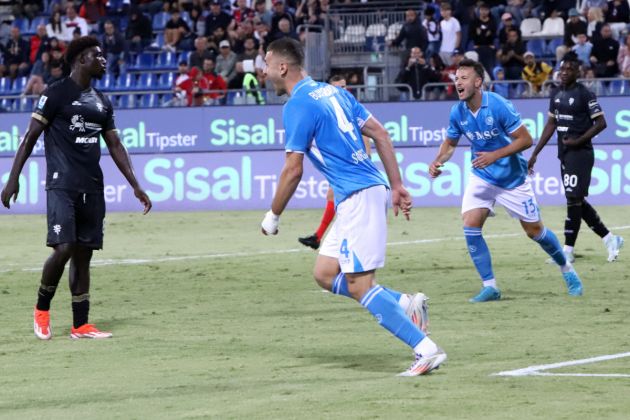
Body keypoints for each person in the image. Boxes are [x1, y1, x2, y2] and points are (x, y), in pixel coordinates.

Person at [260, 37, 446, 376]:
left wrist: (273, 215)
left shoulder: (298, 104)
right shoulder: (336, 92)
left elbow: (293, 169)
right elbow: (381, 134)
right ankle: (406, 304)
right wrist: (397, 184)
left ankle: (425, 348)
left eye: (267, 65)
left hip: (358, 196)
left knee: (361, 284)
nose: (264, 71)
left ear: (282, 67)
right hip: (359, 194)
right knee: (325, 273)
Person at [0, 36, 152, 340]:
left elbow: (115, 145)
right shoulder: (55, 94)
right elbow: (29, 137)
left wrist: (136, 185)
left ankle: (80, 324)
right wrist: (12, 178)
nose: (103, 60)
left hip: (93, 187)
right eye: (97, 56)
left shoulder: (102, 101)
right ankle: (42, 309)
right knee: (65, 247)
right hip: (62, 185)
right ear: (81, 59)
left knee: (84, 254)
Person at [429, 59, 584, 302]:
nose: (458, 82)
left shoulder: (498, 105)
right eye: (456, 78)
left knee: (535, 231)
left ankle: (567, 269)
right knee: (470, 225)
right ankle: (490, 286)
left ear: (478, 82)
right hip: (481, 177)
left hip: (512, 179)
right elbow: (450, 143)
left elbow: (525, 139)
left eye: (464, 77)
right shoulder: (457, 111)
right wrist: (439, 161)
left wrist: (494, 155)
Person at [527, 54, 624, 263]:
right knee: (577, 200)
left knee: (573, 201)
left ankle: (568, 251)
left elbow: (601, 123)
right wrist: (535, 153)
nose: (564, 72)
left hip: (581, 155)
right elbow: (551, 125)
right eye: (562, 69)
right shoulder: (556, 94)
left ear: (578, 72)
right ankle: (610, 238)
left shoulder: (585, 94)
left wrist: (579, 140)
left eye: (569, 69)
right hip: (565, 153)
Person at [298, 74, 371, 249]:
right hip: (342, 165)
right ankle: (319, 236)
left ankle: (323, 236)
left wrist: (365, 161)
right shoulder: (328, 110)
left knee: (338, 198)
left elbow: (366, 137)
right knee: (333, 196)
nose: (342, 90)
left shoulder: (351, 107)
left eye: (344, 87)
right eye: (338, 88)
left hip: (355, 167)